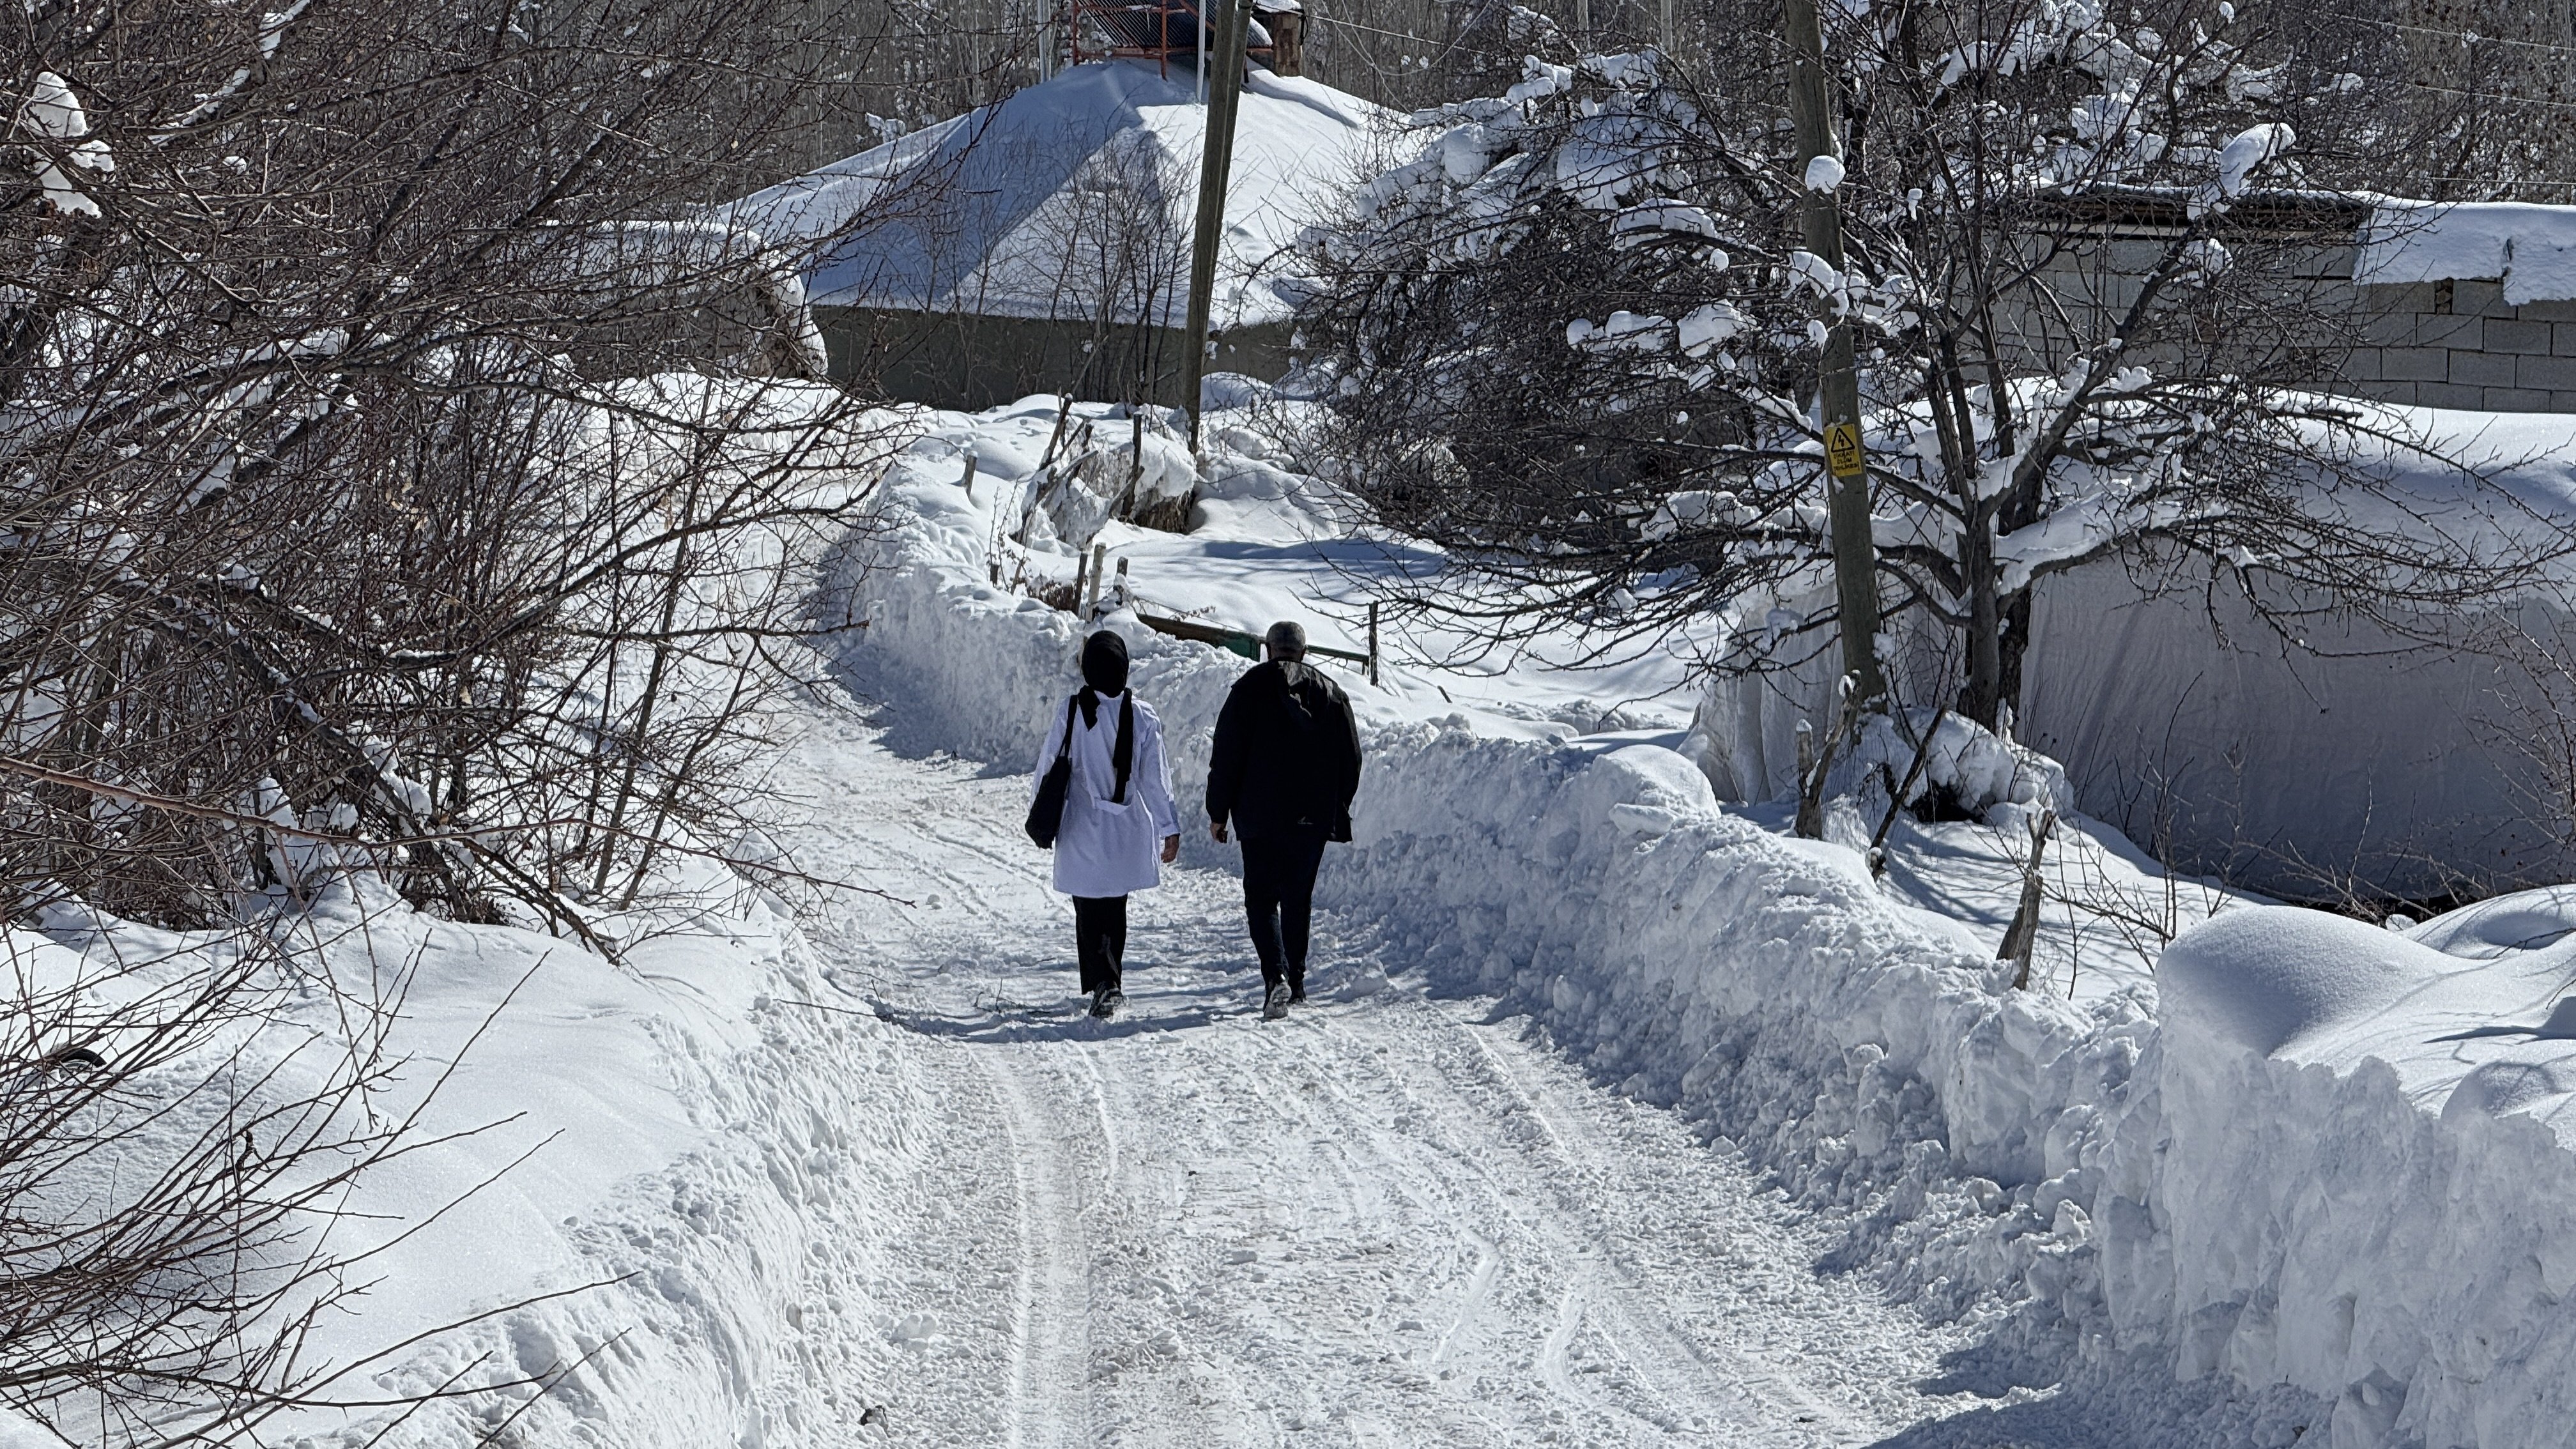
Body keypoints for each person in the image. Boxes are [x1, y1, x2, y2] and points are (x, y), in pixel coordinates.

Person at [1206, 620, 1363, 1020]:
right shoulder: (1332, 694)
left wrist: (1218, 811)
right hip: (1312, 815)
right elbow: (1352, 757)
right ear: (1304, 653)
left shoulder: (1248, 689)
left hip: (1259, 814)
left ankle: (1275, 977)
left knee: (1261, 899)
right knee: (1298, 898)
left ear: (1268, 649)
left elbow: (1227, 754)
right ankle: (1297, 982)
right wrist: (1336, 804)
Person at [1032, 631, 1180, 1018]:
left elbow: (1050, 766)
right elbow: (1155, 779)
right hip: (1125, 827)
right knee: (1116, 907)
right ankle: (1111, 980)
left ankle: (1101, 982)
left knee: (1088, 908)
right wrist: (1169, 826)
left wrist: (1039, 813)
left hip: (1082, 824)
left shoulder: (1071, 711)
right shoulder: (1144, 716)